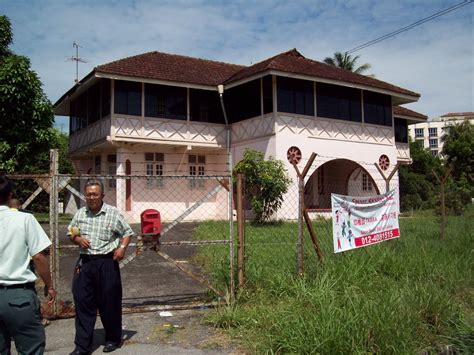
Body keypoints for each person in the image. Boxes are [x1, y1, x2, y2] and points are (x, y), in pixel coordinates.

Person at [67, 179, 134, 355]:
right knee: (83, 304)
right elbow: (71, 232)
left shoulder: (113, 213)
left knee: (110, 303)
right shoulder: (80, 214)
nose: (91, 197)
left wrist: (122, 248)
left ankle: (113, 339)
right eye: (88, 194)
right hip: (85, 263)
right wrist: (78, 239)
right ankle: (82, 346)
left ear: (102, 195)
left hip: (107, 263)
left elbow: (127, 233)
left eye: (95, 194)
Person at [0, 176, 56, 354]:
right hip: (18, 297)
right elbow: (39, 257)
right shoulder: (24, 220)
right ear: (10, 195)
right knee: (30, 348)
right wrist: (49, 284)